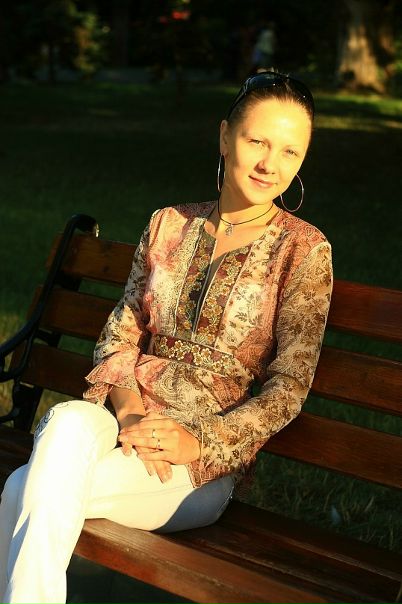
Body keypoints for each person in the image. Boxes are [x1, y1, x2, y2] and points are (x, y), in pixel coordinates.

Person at [0, 70, 332, 604]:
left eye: (290, 151)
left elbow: (289, 386)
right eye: (257, 141)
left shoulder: (304, 250)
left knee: (22, 489)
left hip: (196, 464)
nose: (270, 164)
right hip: (120, 419)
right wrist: (130, 414)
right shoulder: (168, 224)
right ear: (225, 136)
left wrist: (199, 440)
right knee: (66, 421)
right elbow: (119, 335)